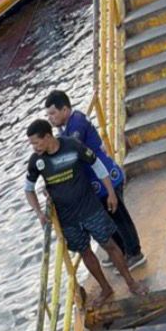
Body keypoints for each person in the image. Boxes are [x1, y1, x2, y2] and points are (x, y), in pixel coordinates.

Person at [22, 120, 147, 304]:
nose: (34, 147)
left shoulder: (72, 145)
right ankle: (106, 288)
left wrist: (110, 192)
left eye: (36, 142)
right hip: (68, 219)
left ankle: (131, 282)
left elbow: (96, 164)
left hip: (90, 209)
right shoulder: (37, 162)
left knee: (110, 245)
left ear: (48, 137)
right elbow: (28, 189)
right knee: (85, 252)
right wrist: (39, 213)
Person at [44, 90, 145, 270]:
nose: (50, 118)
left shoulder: (77, 123)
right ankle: (120, 250)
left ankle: (134, 252)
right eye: (48, 115)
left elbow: (69, 149)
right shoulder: (66, 127)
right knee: (109, 218)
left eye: (53, 113)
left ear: (65, 109)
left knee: (120, 217)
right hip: (96, 182)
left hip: (106, 178)